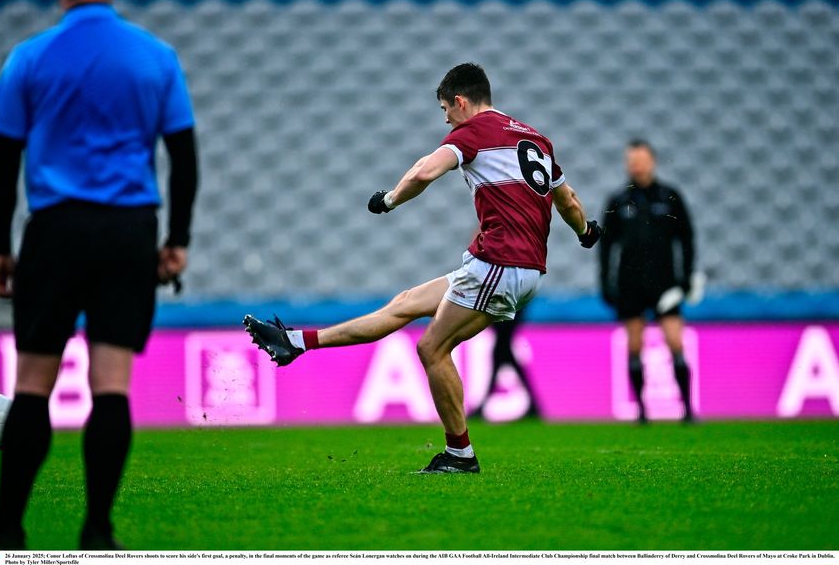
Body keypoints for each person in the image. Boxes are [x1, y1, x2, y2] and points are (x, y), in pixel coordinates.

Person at [0, 0, 198, 550]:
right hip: (128, 231)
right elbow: (183, 154)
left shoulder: (29, 57)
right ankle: (98, 532)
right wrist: (176, 238)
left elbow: (3, 160)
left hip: (56, 230)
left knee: (34, 382)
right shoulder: (155, 57)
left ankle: (7, 527)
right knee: (110, 383)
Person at [243, 63, 600, 473]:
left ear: (461, 102)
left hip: (501, 263)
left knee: (431, 348)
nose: (446, 118)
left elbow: (426, 169)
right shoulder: (537, 138)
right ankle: (296, 342)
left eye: (446, 108)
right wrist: (586, 231)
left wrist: (389, 200)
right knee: (406, 303)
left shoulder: (472, 134)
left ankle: (460, 455)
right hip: (516, 267)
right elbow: (568, 200)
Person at [599, 139, 695, 424]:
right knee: (634, 344)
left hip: (665, 283)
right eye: (632, 161)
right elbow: (606, 247)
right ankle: (641, 410)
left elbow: (686, 239)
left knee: (675, 341)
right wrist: (606, 282)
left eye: (641, 160)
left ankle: (688, 409)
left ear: (652, 161)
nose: (636, 165)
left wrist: (686, 278)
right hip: (630, 283)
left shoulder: (670, 197)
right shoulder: (618, 200)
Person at [468, 308, 541, 420]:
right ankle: (534, 407)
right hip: (507, 309)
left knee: (500, 354)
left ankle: (482, 406)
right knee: (504, 356)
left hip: (508, 308)